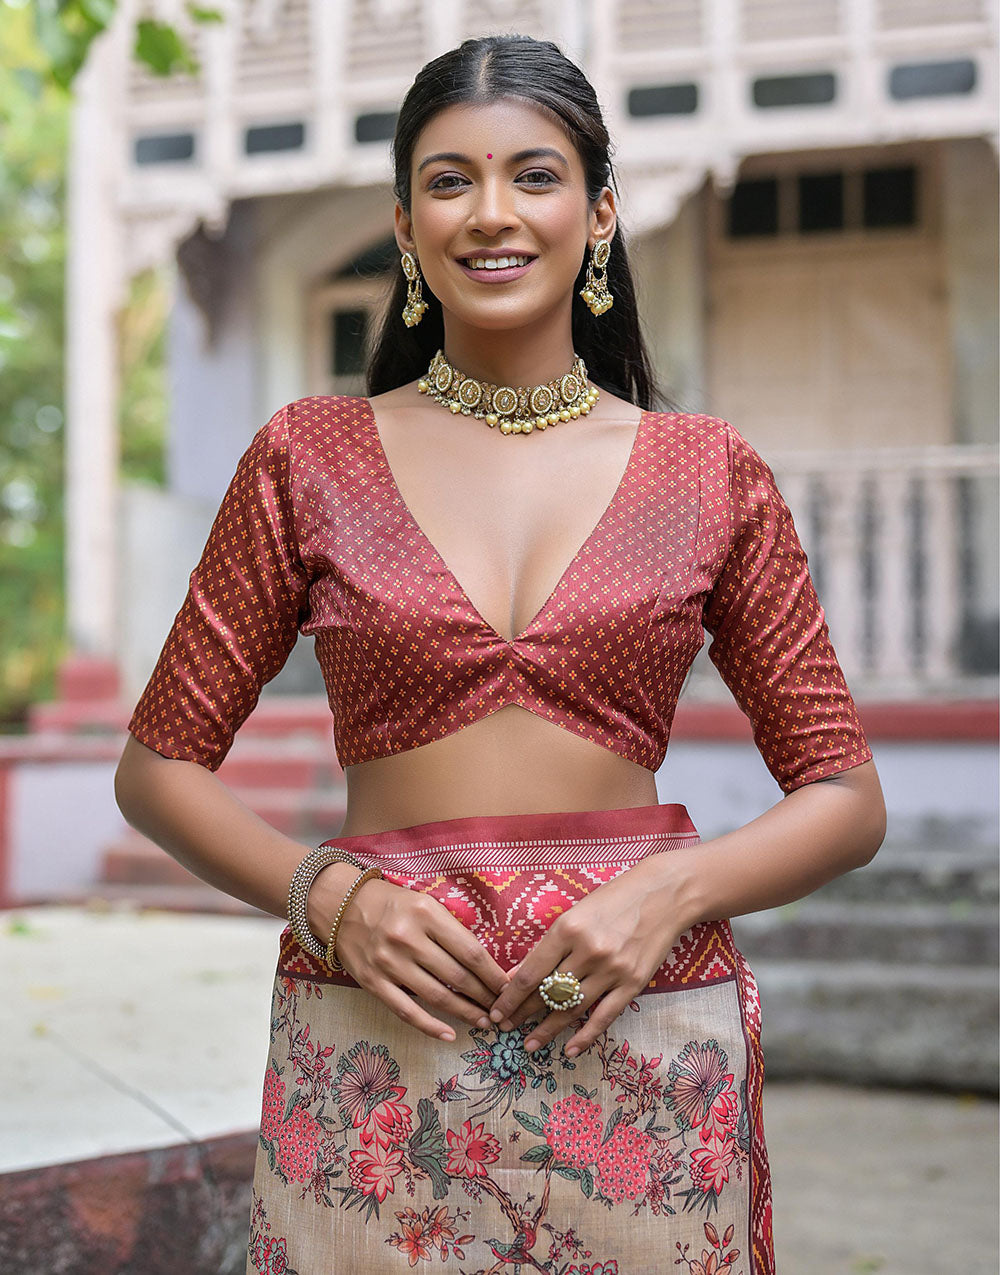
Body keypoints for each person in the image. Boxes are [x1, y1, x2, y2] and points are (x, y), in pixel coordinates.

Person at [115, 33, 885, 1275]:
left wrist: (674, 893)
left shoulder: (706, 469)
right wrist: (330, 899)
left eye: (534, 176)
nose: (491, 213)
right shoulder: (307, 458)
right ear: (408, 227)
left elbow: (846, 801)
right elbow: (156, 770)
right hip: (376, 1039)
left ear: (600, 213)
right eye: (448, 181)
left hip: (636, 1042)